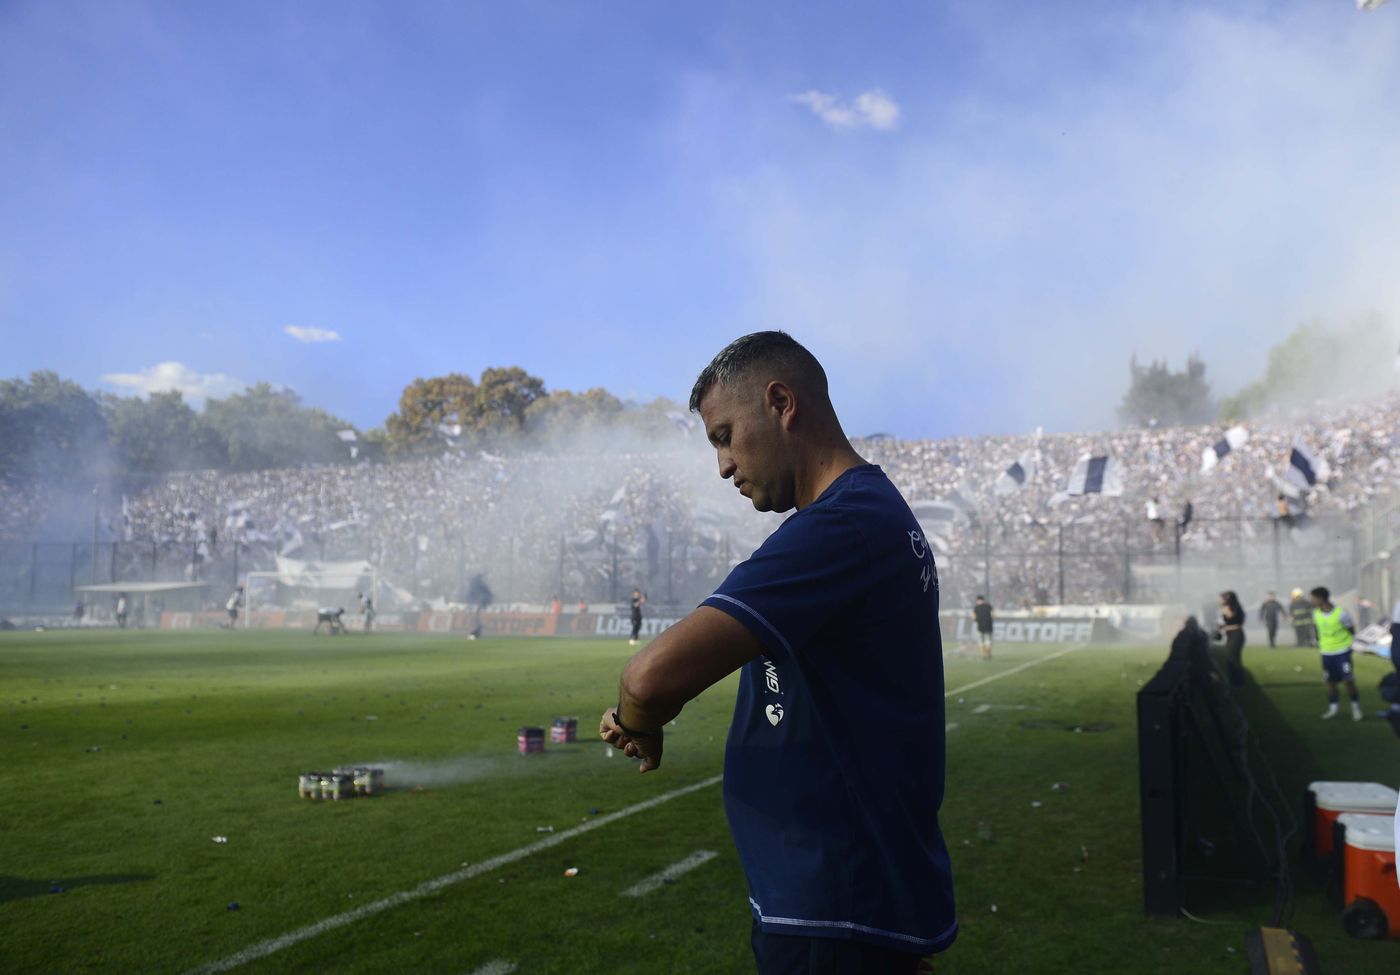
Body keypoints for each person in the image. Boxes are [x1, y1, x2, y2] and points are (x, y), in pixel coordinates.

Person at [598, 331, 957, 973]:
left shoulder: (841, 525)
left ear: (781, 404)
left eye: (725, 436)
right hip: (848, 899)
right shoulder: (871, 512)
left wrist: (636, 722)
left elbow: (649, 679)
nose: (723, 466)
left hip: (832, 903)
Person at [1310, 586, 1362, 721]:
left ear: (1321, 598)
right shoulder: (1315, 613)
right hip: (1326, 653)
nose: (1312, 601)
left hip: (1342, 652)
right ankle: (1333, 708)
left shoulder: (1341, 613)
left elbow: (1351, 629)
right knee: (1330, 682)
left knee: (1348, 681)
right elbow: (1317, 630)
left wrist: (1347, 644)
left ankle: (1356, 708)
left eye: (1313, 598)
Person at [1219, 591, 1246, 688]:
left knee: (1233, 658)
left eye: (1221, 599)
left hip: (1236, 635)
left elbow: (1231, 617)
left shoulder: (1233, 608)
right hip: (1230, 635)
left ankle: (1237, 681)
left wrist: (1224, 607)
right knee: (1230, 657)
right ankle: (1233, 680)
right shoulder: (1229, 608)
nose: (1219, 601)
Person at [973, 595, 994, 660]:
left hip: (980, 627)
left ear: (977, 600)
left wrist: (978, 619)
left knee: (981, 642)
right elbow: (993, 615)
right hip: (988, 626)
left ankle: (983, 655)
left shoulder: (976, 607)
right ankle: (988, 653)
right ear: (983, 600)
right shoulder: (988, 606)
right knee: (988, 641)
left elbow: (974, 617)